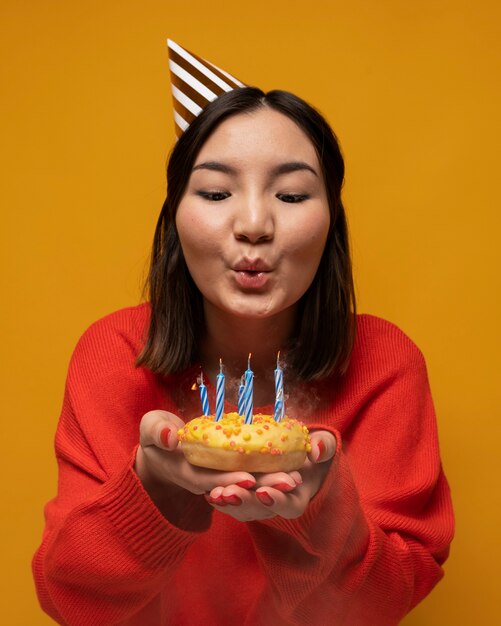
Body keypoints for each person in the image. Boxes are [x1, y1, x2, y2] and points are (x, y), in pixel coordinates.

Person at [32, 42, 454, 626]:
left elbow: (385, 605)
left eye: (291, 195)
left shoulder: (385, 364)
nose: (254, 225)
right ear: (175, 218)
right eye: (214, 193)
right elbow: (70, 603)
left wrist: (318, 507)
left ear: (330, 219)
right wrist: (154, 488)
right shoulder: (114, 354)